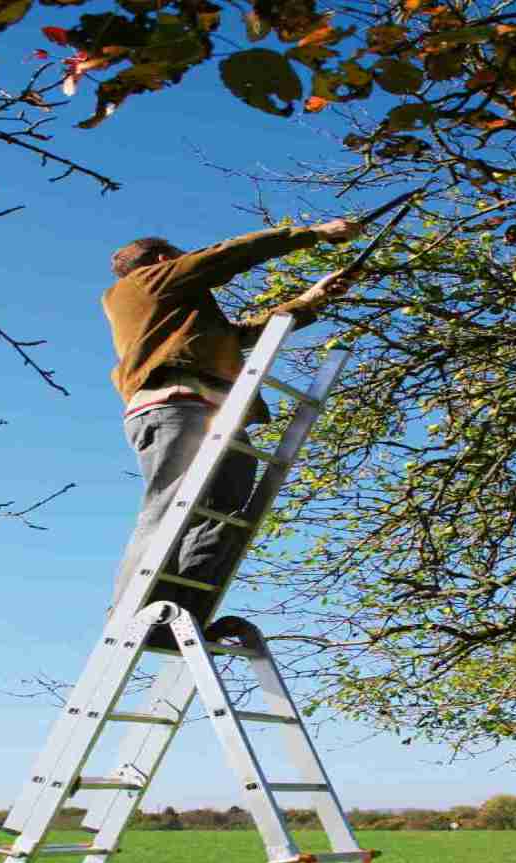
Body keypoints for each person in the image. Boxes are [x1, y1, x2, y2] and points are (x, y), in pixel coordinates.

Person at [103, 219, 360, 636]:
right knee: (170, 507)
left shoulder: (176, 311)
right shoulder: (147, 283)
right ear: (165, 259)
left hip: (215, 415)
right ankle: (129, 617)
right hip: (176, 407)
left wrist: (312, 299)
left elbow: (238, 335)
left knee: (223, 515)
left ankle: (182, 617)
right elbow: (225, 256)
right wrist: (314, 234)